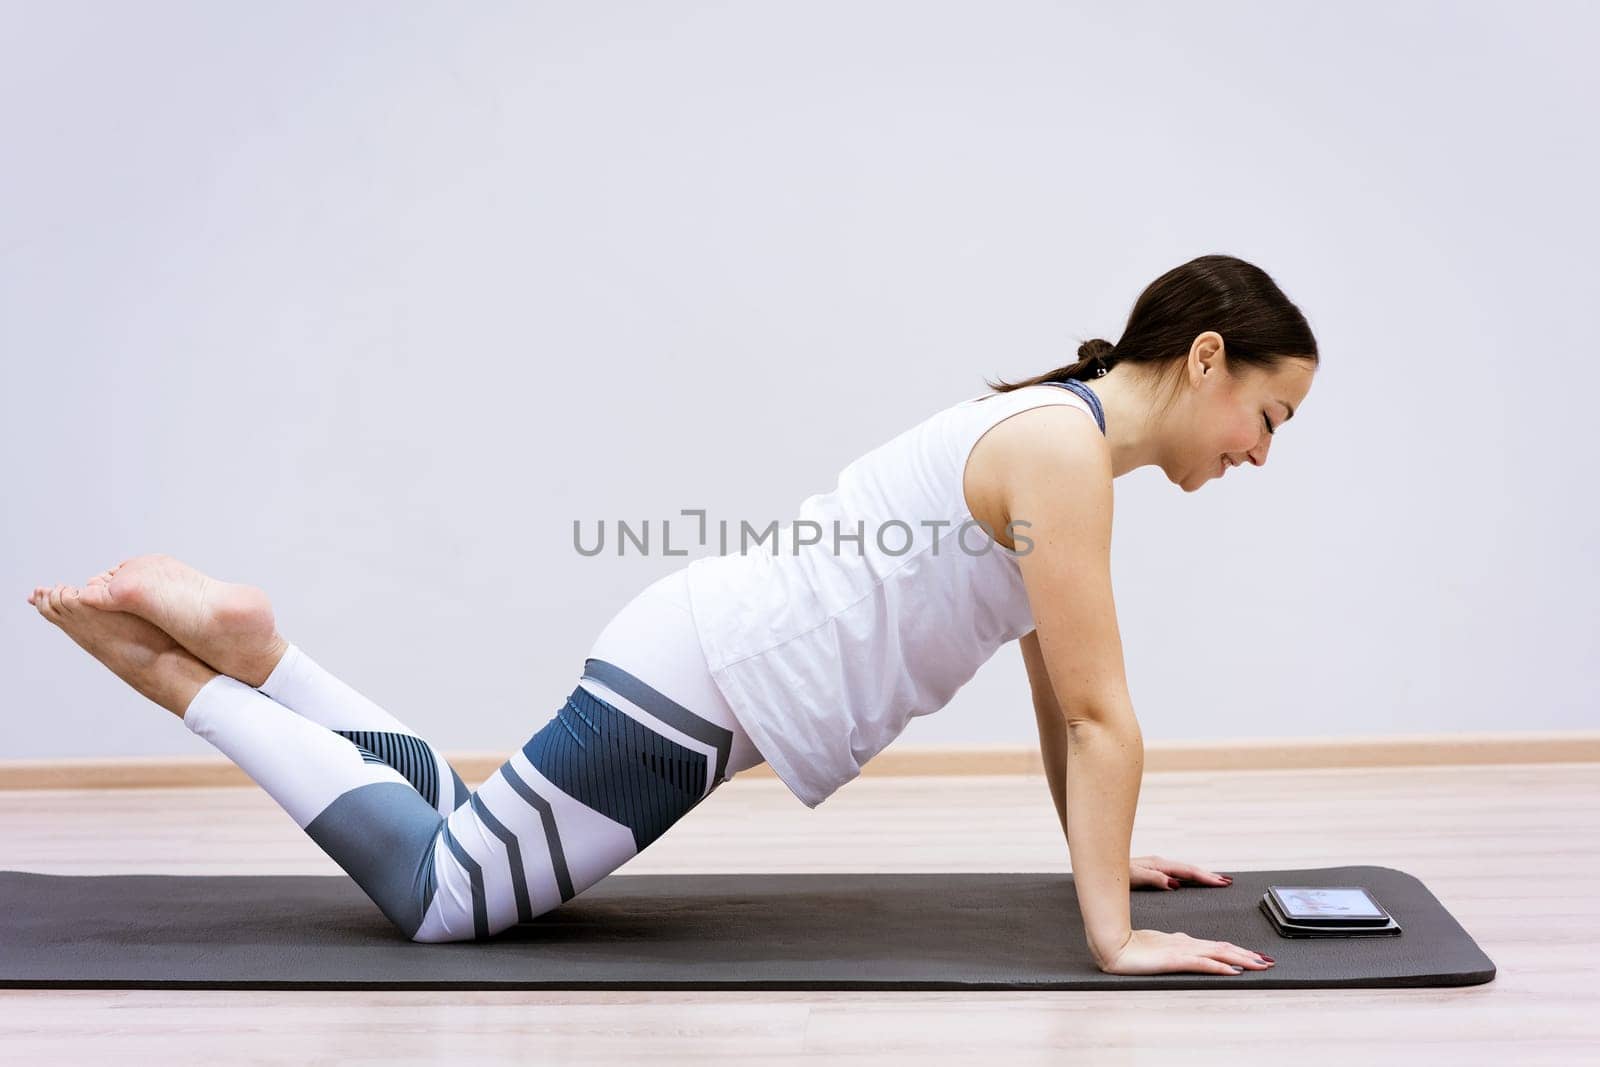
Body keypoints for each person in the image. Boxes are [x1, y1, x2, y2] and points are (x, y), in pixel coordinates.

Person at [27, 252, 1314, 976]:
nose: (1263, 453)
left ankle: (268, 656)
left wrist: (1106, 854)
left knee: (462, 836)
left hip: (699, 662)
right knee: (437, 898)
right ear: (1206, 356)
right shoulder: (1060, 451)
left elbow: (1056, 690)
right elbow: (1100, 711)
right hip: (699, 685)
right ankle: (196, 675)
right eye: (1269, 416)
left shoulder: (1056, 443)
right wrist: (1113, 937)